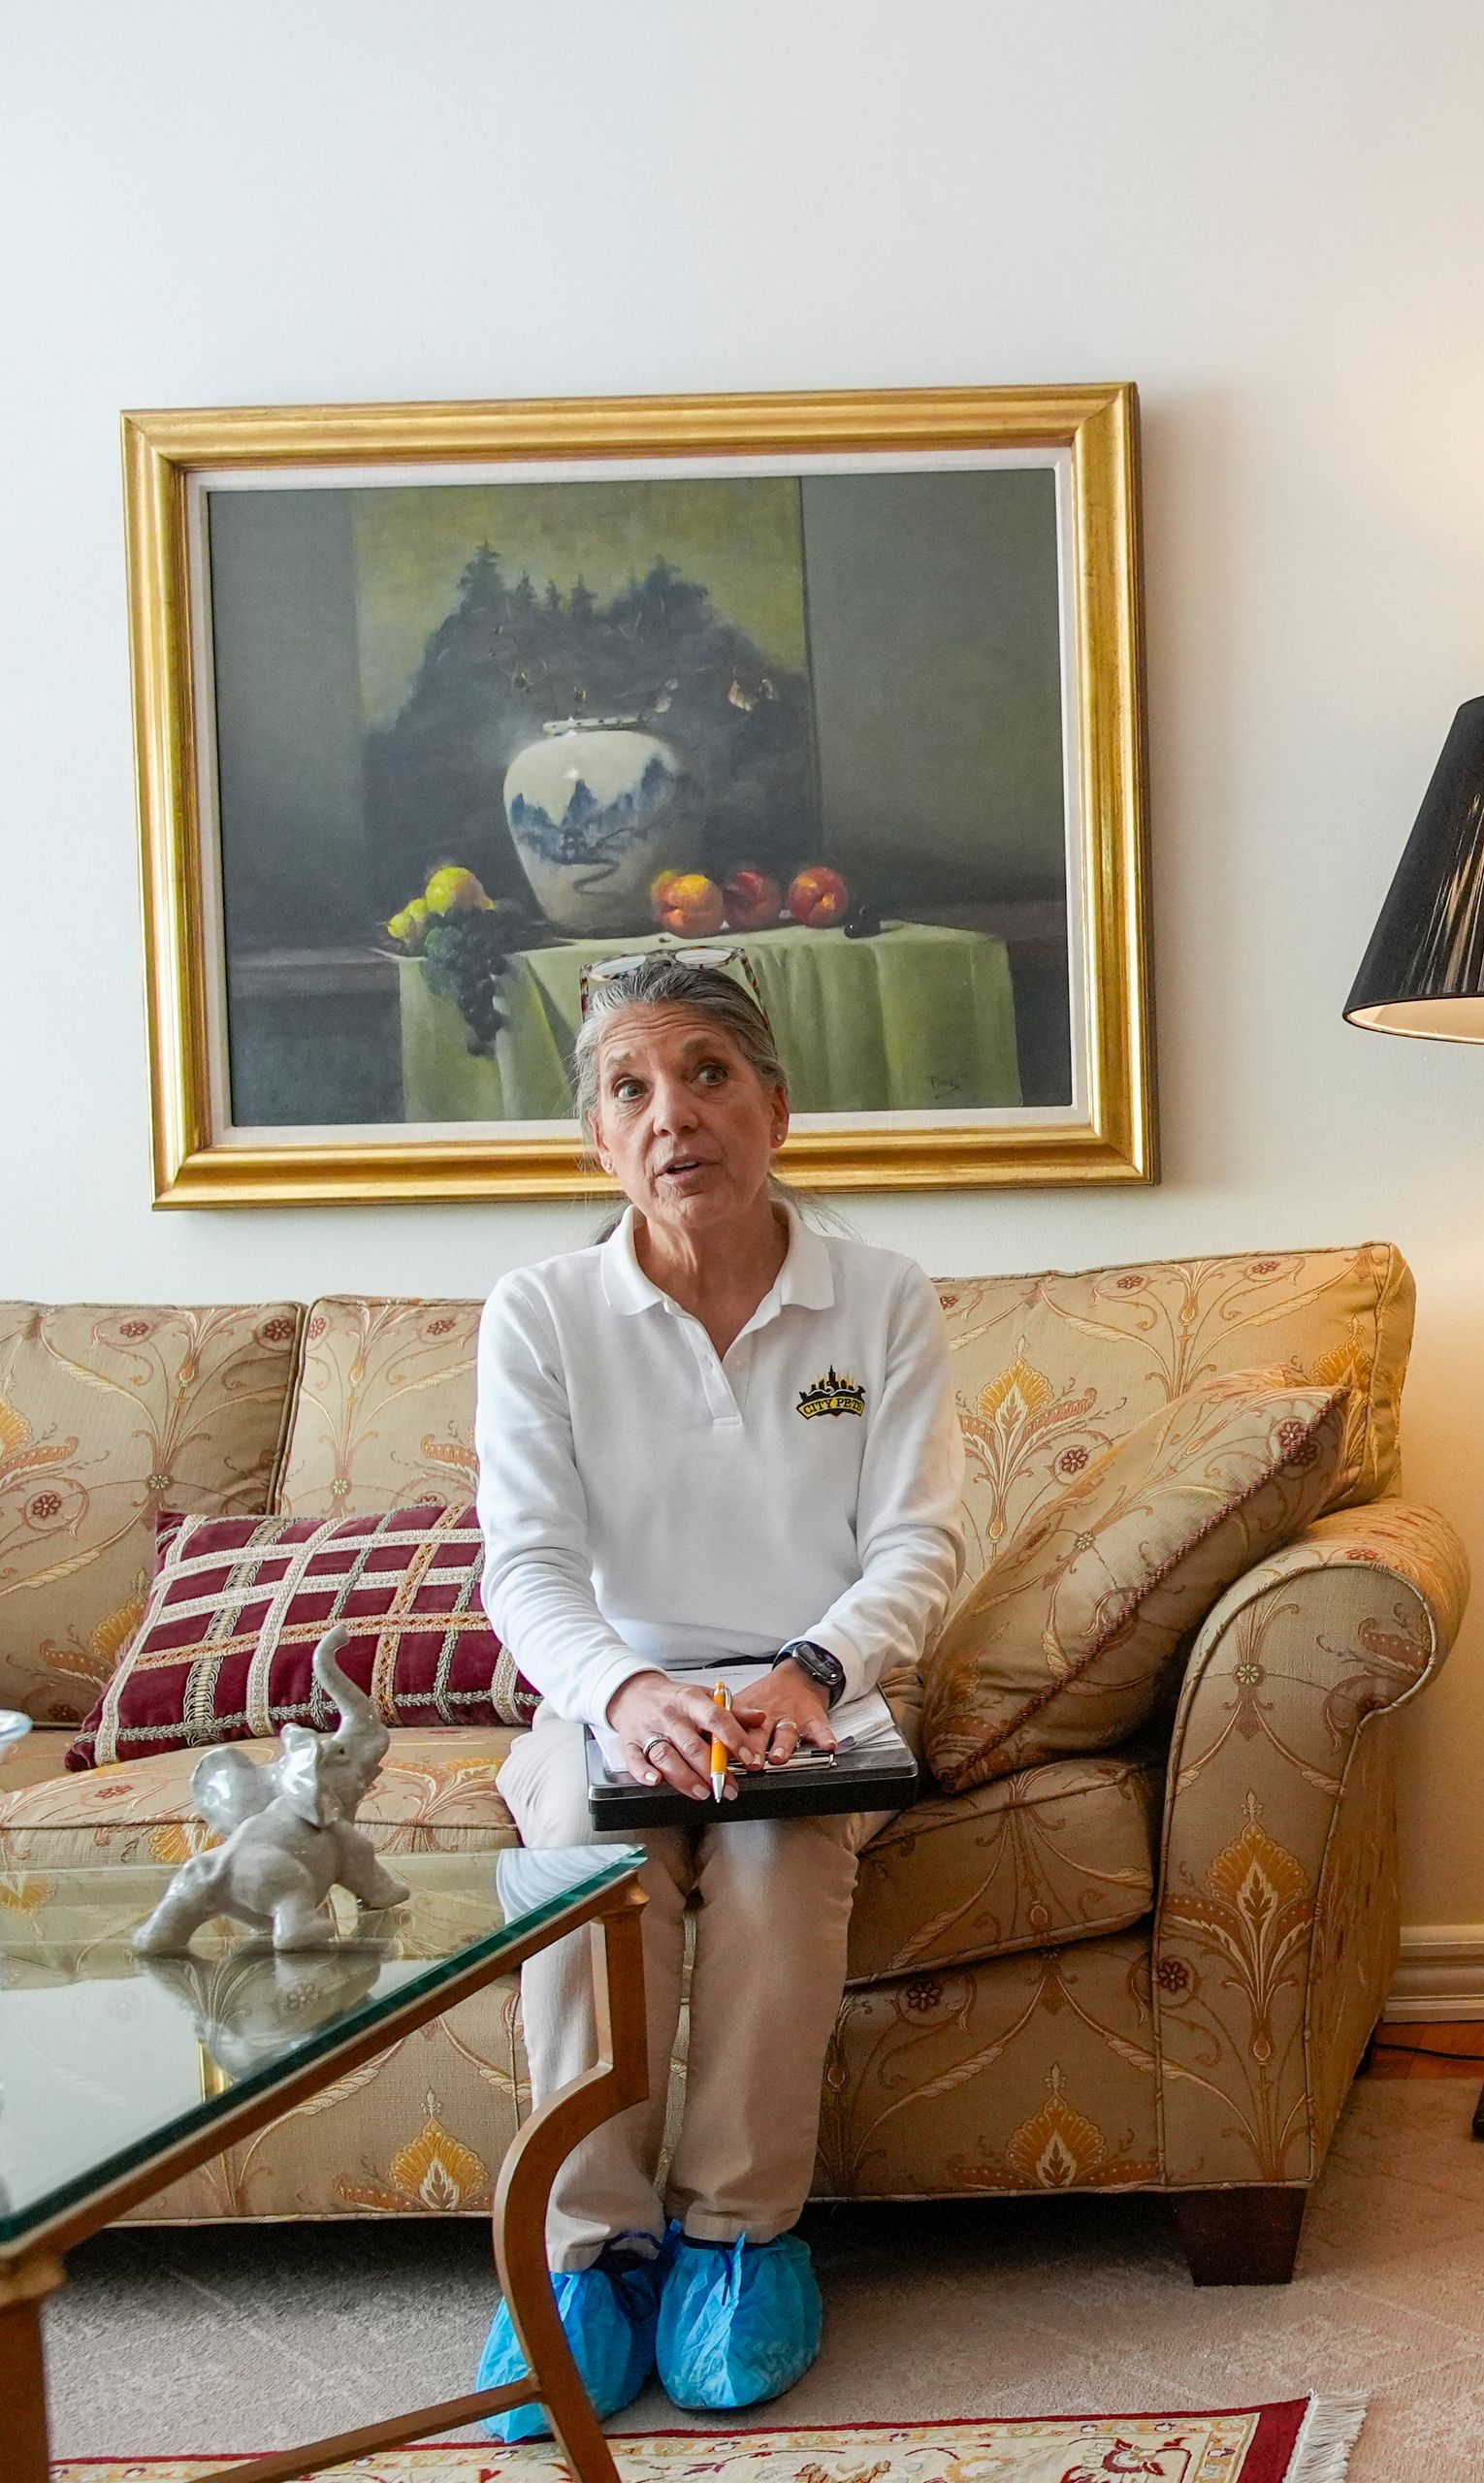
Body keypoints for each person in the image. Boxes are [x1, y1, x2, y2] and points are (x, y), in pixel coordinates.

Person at [470, 953, 965, 2435]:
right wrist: (622, 1693)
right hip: (609, 1699)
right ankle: (584, 2259)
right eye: (631, 1087)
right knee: (584, 1851)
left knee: (773, 1850)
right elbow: (528, 1565)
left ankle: (739, 2244)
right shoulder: (540, 1312)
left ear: (774, 1109)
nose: (673, 1113)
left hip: (815, 1684)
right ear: (596, 1140)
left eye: (707, 1075)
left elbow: (919, 1541)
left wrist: (810, 1672)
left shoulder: (877, 1301)